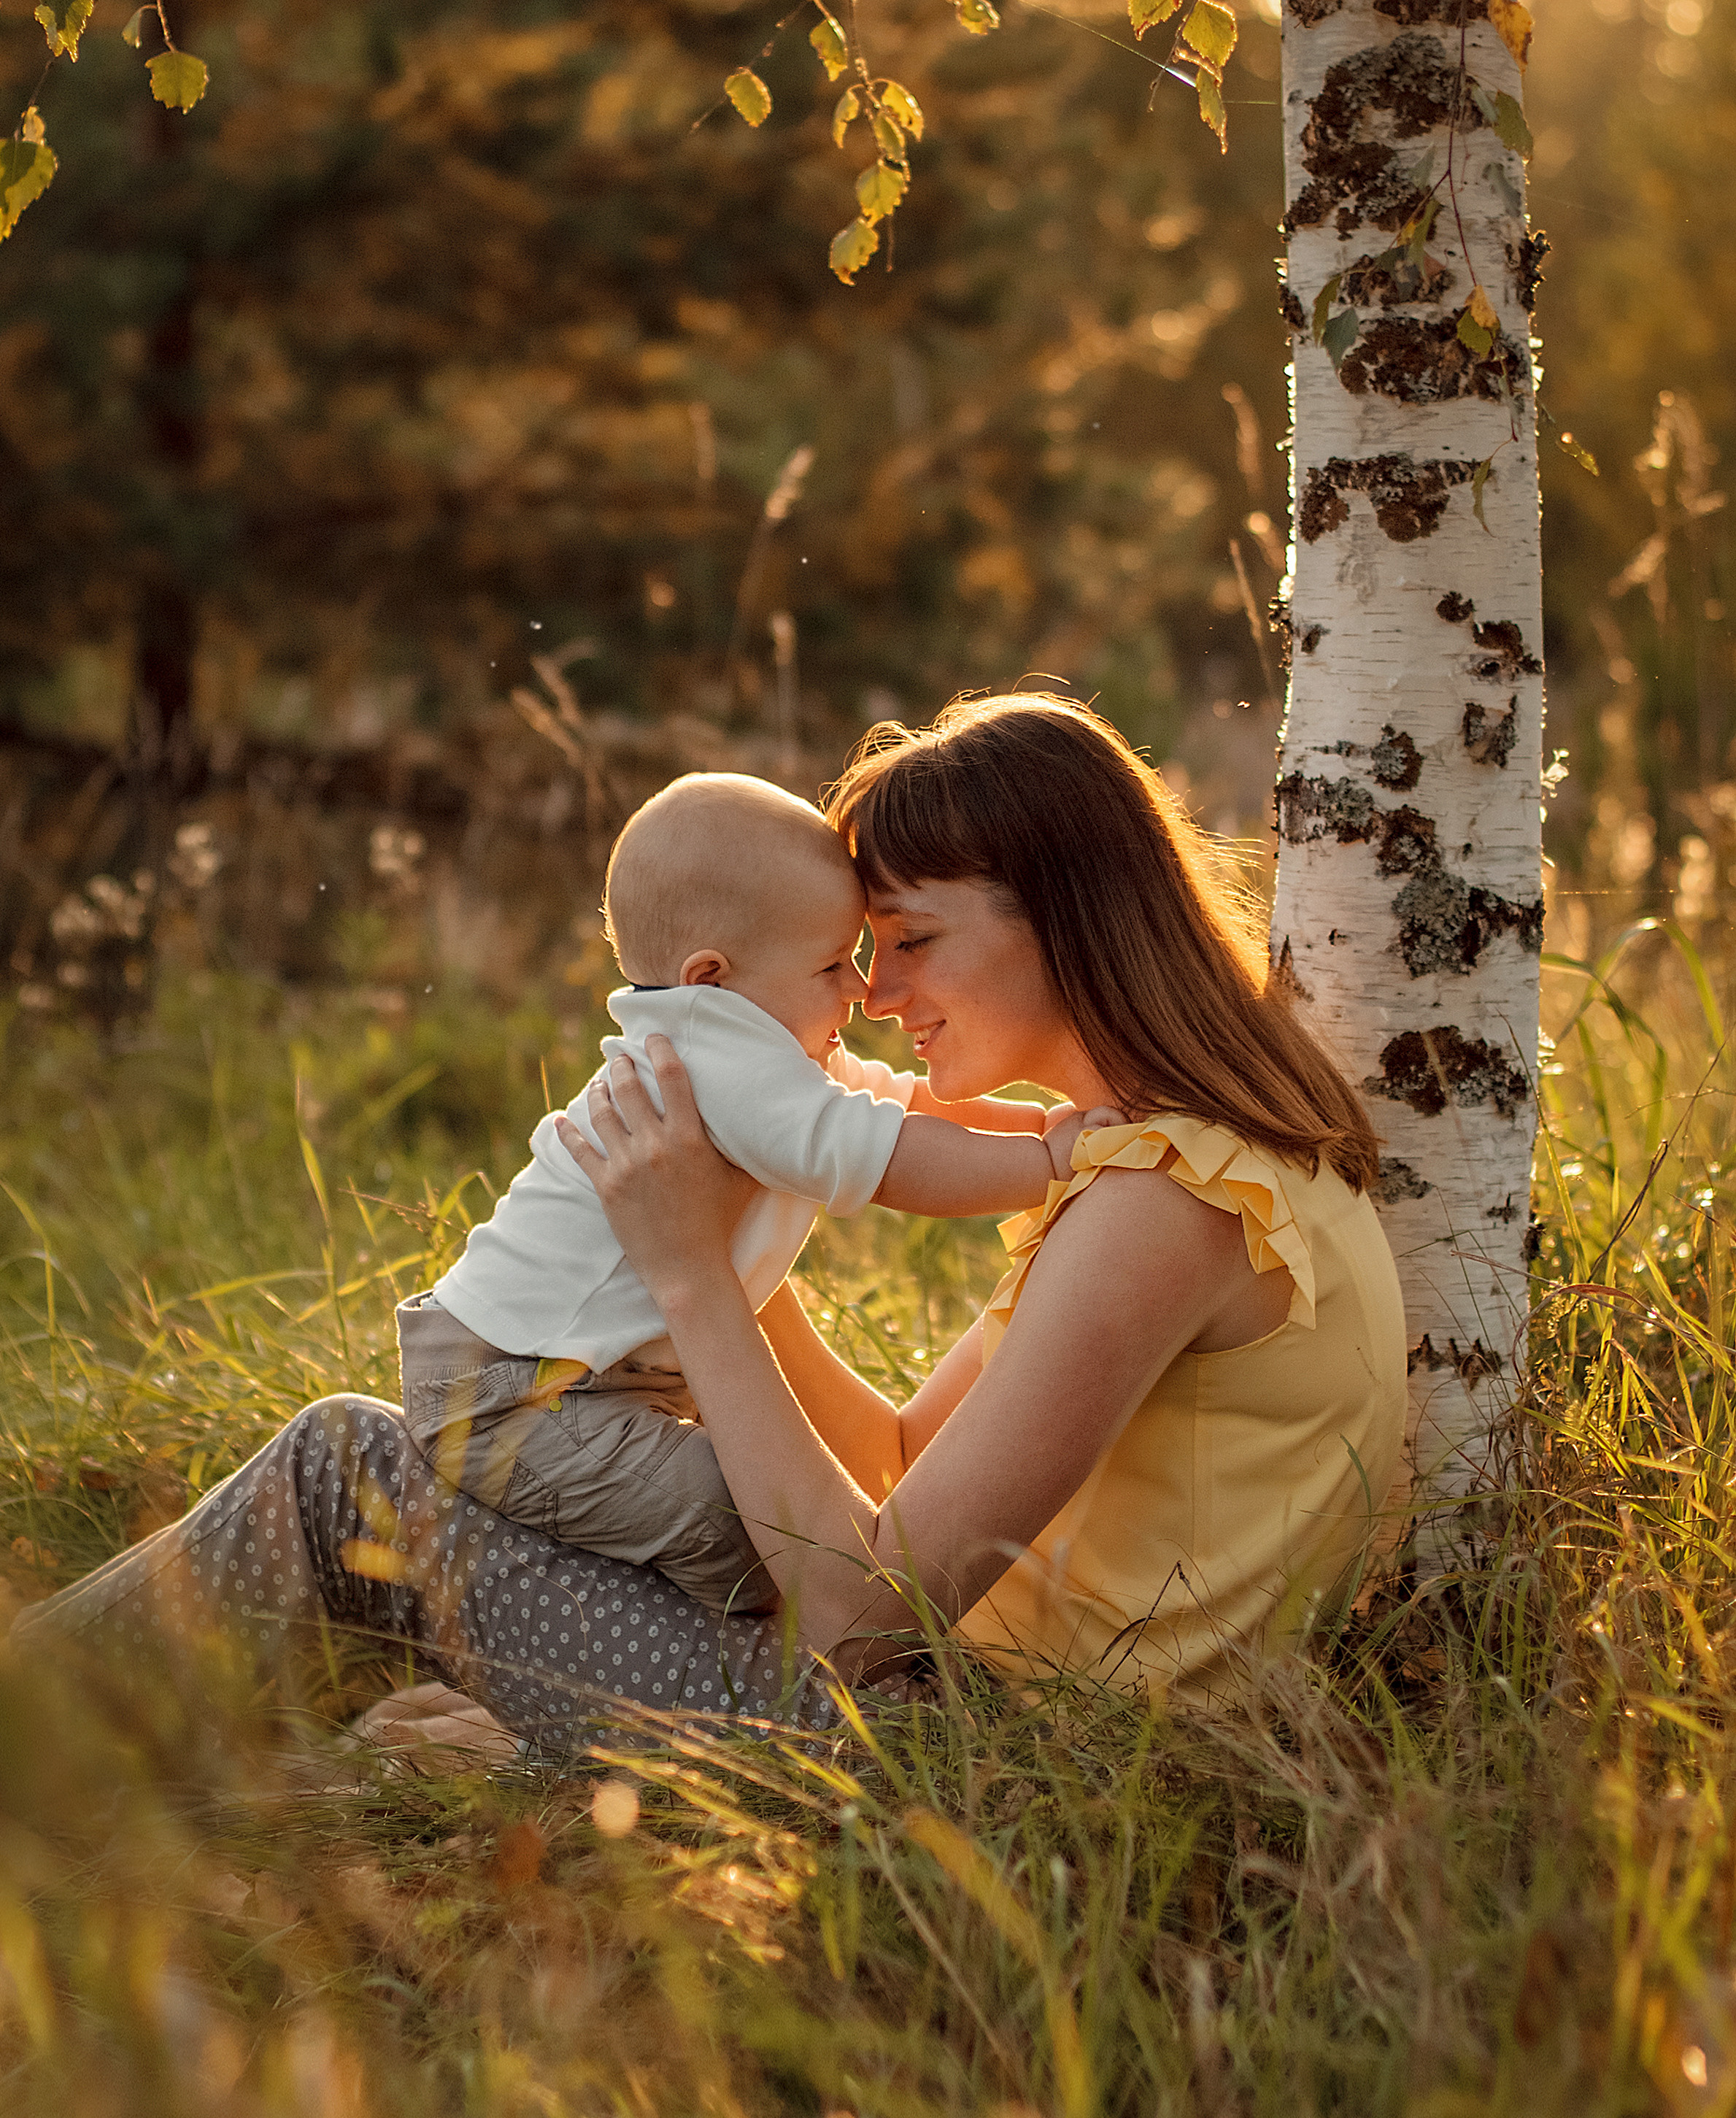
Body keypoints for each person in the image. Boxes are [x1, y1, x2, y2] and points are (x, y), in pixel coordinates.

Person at [13, 695, 1408, 1749]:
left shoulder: (1166, 1202)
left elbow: (864, 1612)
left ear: (1060, 912)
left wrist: (687, 1273)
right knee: (403, 1466)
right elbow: (904, 1468)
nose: (873, 995)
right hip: (952, 1703)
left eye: (909, 940)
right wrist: (714, 1238)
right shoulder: (1180, 1164)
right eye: (859, 952)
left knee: (342, 1472)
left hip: (962, 1753)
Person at [399, 770, 1084, 1613]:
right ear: (713, 979)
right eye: (833, 964)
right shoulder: (713, 1055)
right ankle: (540, 1627)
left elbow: (901, 1104)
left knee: (757, 1505)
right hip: (514, 1393)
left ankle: (530, 1607)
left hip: (562, 1378)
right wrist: (1047, 1165)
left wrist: (1043, 1122)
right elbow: (878, 1153)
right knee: (762, 1531)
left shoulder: (743, 1044)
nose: (861, 990)